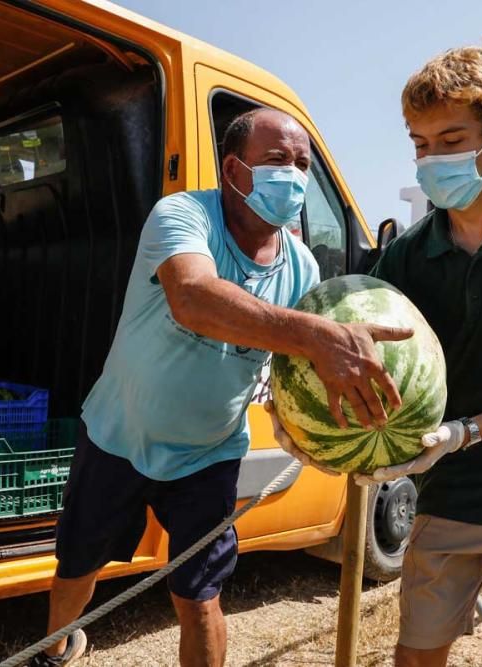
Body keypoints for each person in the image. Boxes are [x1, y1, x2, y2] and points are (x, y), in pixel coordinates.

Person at [272, 45, 482, 667]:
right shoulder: (408, 255)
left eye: (451, 138)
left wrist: (466, 432)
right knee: (417, 655)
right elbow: (347, 340)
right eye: (420, 143)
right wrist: (296, 420)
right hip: (455, 492)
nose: (432, 158)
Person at [34, 108, 413, 667]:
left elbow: (290, 366)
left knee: (201, 596)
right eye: (278, 161)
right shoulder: (184, 215)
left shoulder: (302, 267)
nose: (295, 177)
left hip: (208, 454)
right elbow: (193, 298)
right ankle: (57, 646)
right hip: (120, 433)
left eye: (303, 165)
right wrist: (316, 333)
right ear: (235, 172)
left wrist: (302, 423)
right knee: (77, 567)